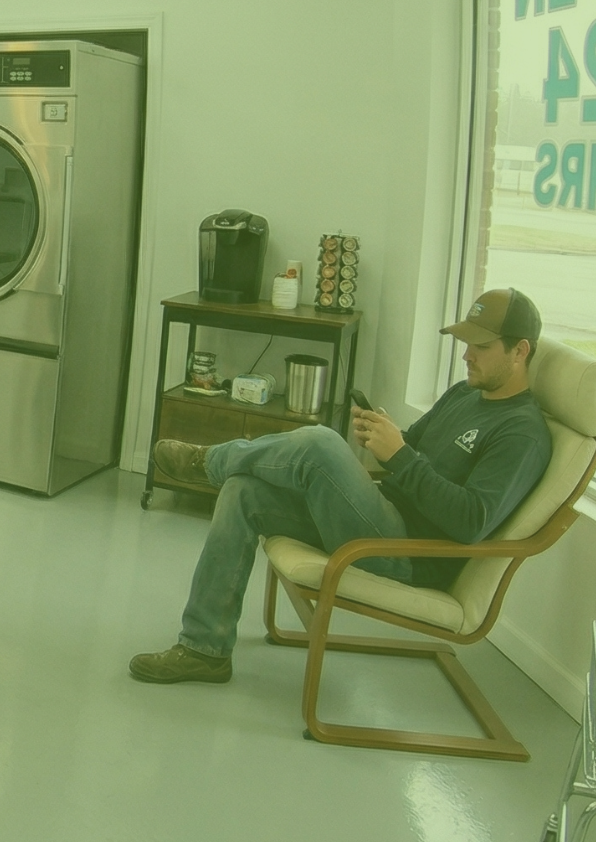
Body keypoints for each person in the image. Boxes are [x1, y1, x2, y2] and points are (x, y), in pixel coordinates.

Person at [129, 287, 553, 684]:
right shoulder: (464, 394)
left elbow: (470, 521)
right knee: (244, 490)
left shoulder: (522, 434)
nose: (466, 355)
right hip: (379, 515)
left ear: (520, 351)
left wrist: (399, 455)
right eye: (466, 343)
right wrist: (384, 433)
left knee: (319, 442)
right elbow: (414, 445)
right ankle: (205, 650)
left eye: (480, 347)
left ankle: (208, 461)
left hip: (407, 551)